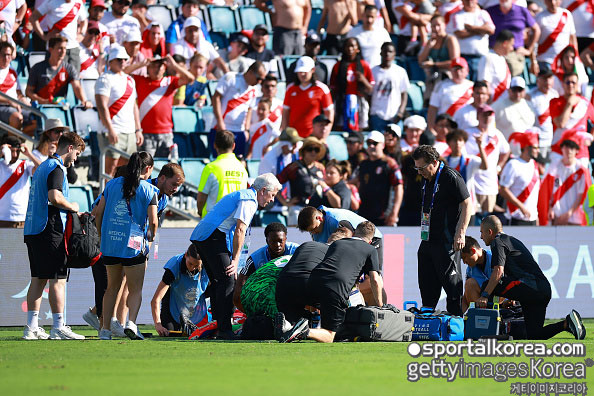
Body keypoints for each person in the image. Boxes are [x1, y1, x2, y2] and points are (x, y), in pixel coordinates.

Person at [190, 173, 281, 339]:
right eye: (272, 195)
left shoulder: (244, 195)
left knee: (220, 281)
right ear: (262, 191)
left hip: (205, 236)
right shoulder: (249, 199)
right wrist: (235, 260)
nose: (272, 200)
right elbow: (240, 230)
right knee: (228, 279)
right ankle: (224, 329)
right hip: (211, 236)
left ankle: (218, 327)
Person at [476, 215, 586, 340]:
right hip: (542, 290)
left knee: (487, 286)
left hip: (530, 288)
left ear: (490, 232)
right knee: (535, 335)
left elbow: (498, 272)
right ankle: (566, 323)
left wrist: (484, 296)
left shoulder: (498, 241)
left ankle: (484, 329)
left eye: (481, 232)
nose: (481, 237)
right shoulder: (512, 240)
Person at [23, 132, 85, 340]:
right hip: (48, 227)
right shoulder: (56, 168)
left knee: (38, 279)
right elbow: (55, 197)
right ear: (69, 148)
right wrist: (74, 207)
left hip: (33, 228)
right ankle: (58, 326)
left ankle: (31, 327)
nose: (76, 158)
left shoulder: (43, 166)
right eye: (76, 153)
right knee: (58, 279)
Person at [278, 221, 383, 343]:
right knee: (330, 335)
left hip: (313, 281)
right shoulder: (370, 249)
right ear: (370, 241)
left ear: (354, 233)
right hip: (335, 287)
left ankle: (289, 326)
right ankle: (305, 330)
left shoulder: (337, 243)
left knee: (323, 306)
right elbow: (375, 280)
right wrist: (380, 306)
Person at [95, 152, 159, 340]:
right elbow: (153, 221)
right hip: (134, 246)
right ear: (147, 169)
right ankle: (131, 322)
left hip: (111, 244)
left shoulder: (111, 184)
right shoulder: (149, 190)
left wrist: (101, 235)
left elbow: (98, 213)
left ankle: (105, 330)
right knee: (135, 289)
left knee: (111, 288)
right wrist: (151, 237)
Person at [413, 144, 471, 316]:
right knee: (426, 278)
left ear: (434, 162)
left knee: (451, 283)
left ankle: (456, 320)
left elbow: (467, 204)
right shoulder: (426, 178)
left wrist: (460, 233)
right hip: (428, 238)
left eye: (422, 167)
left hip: (447, 240)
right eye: (416, 168)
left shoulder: (451, 176)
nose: (419, 172)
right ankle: (427, 315)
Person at [275, 229, 351, 326]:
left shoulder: (306, 244)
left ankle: (288, 325)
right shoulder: (334, 253)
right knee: (335, 308)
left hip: (283, 284)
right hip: (306, 284)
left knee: (290, 327)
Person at [130, 55, 194, 158]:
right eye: (153, 66)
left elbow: (190, 78)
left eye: (160, 66)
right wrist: (141, 64)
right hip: (146, 133)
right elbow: (124, 73)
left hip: (166, 133)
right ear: (148, 68)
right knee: (145, 169)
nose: (157, 69)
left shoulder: (170, 81)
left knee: (165, 169)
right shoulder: (140, 81)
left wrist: (173, 65)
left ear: (164, 68)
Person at [95, 45, 142, 177]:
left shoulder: (130, 80)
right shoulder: (104, 78)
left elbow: (134, 106)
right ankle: (106, 197)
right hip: (113, 131)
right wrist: (110, 129)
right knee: (110, 171)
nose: (122, 62)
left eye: (124, 59)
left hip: (129, 131)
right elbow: (101, 106)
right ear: (111, 61)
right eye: (119, 59)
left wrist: (138, 130)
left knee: (127, 170)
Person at [233, 222, 299, 311]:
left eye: (280, 241)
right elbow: (238, 295)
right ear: (267, 241)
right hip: (267, 295)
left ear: (285, 239)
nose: (278, 245)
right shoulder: (254, 259)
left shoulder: (297, 251)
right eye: (273, 241)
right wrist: (250, 314)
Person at [151, 244, 209, 336]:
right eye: (190, 264)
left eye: (196, 265)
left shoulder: (208, 267)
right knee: (167, 334)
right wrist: (158, 324)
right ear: (186, 255)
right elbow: (156, 299)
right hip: (172, 304)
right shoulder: (174, 267)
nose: (192, 268)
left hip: (194, 304)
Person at [297, 205, 384, 266]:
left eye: (313, 229)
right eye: (310, 231)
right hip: (352, 245)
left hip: (371, 239)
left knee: (374, 279)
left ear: (319, 218)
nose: (313, 233)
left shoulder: (337, 220)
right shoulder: (314, 227)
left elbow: (353, 244)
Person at [212, 62, 267, 157]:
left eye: (262, 80)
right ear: (250, 72)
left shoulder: (255, 89)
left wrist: (246, 130)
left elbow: (249, 109)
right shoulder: (231, 78)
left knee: (238, 161)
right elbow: (216, 98)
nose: (259, 82)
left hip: (239, 131)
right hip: (223, 128)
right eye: (258, 78)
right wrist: (220, 122)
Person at [465, 104, 510, 215]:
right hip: (472, 183)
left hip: (490, 185)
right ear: (477, 116)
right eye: (484, 114)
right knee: (472, 217)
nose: (487, 118)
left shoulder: (497, 134)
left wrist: (499, 167)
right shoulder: (468, 133)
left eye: (489, 115)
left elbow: (506, 151)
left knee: (487, 220)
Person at [26, 36, 92, 108]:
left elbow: (77, 87)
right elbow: (29, 92)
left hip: (60, 107)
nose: (63, 52)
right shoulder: (37, 68)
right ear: (51, 49)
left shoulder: (69, 68)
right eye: (60, 48)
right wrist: (44, 101)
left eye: (65, 48)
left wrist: (84, 100)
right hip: (40, 108)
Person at [354, 130, 403, 226]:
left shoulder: (390, 163)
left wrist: (394, 213)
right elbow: (356, 181)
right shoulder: (363, 164)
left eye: (375, 143)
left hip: (383, 216)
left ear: (383, 145)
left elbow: (399, 189)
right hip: (364, 214)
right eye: (369, 143)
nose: (371, 146)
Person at [539, 139, 591, 226]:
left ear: (577, 150)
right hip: (556, 216)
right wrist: (550, 207)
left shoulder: (581, 170)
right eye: (566, 147)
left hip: (574, 218)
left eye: (572, 147)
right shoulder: (554, 168)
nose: (568, 150)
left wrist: (569, 213)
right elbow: (547, 190)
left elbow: (581, 195)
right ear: (562, 149)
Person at [197, 130, 248, 217]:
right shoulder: (242, 168)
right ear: (233, 146)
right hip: (234, 221)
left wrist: (200, 212)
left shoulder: (210, 168)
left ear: (215, 145)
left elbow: (202, 197)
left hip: (213, 221)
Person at [281, 56, 334, 138]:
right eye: (300, 71)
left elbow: (329, 113)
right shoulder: (290, 89)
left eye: (305, 71)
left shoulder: (322, 89)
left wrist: (324, 135)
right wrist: (285, 133)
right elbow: (285, 112)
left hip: (313, 137)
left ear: (312, 70)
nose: (302, 74)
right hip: (293, 137)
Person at [276, 137, 326, 225]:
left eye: (316, 149)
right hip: (298, 210)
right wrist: (285, 202)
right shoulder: (293, 167)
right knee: (296, 238)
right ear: (304, 151)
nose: (313, 152)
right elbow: (274, 184)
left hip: (317, 211)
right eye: (310, 149)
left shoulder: (320, 167)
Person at [549, 72, 594, 168]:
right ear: (562, 84)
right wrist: (569, 104)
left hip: (580, 152)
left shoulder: (584, 103)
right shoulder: (555, 102)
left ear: (578, 85)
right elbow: (561, 124)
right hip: (559, 151)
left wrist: (591, 138)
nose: (571, 85)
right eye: (568, 82)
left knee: (585, 182)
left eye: (573, 82)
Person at [330, 37, 374, 132]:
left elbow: (371, 89)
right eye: (347, 46)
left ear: (357, 49)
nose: (350, 49)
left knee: (360, 127)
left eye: (353, 46)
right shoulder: (338, 66)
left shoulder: (364, 65)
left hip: (360, 101)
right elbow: (333, 88)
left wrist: (363, 80)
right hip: (342, 101)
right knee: (340, 126)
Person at [487, 0, 540, 77]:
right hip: (495, 54)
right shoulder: (490, 11)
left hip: (515, 55)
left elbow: (536, 30)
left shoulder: (522, 11)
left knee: (515, 85)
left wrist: (529, 50)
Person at [30, 0, 85, 71]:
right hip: (55, 49)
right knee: (54, 79)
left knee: (74, 79)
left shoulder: (78, 2)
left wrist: (82, 34)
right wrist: (43, 36)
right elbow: (33, 17)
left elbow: (84, 20)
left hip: (73, 48)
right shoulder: (51, 1)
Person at [499, 131, 541, 225]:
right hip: (516, 217)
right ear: (526, 148)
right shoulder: (513, 164)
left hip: (532, 218)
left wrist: (536, 216)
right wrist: (521, 207)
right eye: (535, 147)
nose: (538, 150)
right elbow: (503, 189)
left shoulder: (534, 164)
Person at [444, 128, 487, 218]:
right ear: (449, 143)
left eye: (460, 140)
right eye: (454, 140)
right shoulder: (443, 161)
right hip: (449, 207)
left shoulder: (470, 160)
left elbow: (485, 166)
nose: (457, 143)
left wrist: (480, 146)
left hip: (468, 207)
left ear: (464, 143)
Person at [0, 135, 42, 228]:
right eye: (12, 151)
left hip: (21, 217)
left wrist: (29, 154)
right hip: (2, 218)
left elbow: (42, 170)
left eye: (17, 151)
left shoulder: (25, 164)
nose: (15, 155)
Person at [427, 57, 474, 135]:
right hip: (446, 129)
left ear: (467, 71)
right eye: (455, 69)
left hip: (466, 129)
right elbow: (432, 108)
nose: (458, 72)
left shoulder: (473, 86)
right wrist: (431, 128)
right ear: (450, 71)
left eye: (461, 69)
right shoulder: (441, 85)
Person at [369, 42, 409, 132]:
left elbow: (404, 94)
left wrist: (400, 112)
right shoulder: (373, 71)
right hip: (377, 115)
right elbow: (369, 94)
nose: (387, 54)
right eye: (385, 51)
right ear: (380, 53)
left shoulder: (400, 71)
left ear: (394, 54)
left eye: (390, 51)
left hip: (394, 115)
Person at [418, 15, 461, 96]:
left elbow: (455, 62)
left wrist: (434, 64)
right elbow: (421, 61)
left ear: (444, 25)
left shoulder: (450, 39)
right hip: (433, 79)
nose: (436, 29)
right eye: (433, 26)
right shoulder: (431, 41)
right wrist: (428, 46)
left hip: (448, 78)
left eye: (438, 25)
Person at [453, 0, 495, 81]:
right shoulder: (457, 15)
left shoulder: (483, 14)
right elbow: (460, 33)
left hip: (482, 57)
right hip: (464, 57)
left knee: (480, 84)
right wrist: (481, 30)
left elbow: (491, 30)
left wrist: (472, 28)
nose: (469, 2)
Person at [0, 42, 35, 134]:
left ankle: (17, 141)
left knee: (36, 120)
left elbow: (18, 92)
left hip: (15, 105)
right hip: (3, 105)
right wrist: (9, 101)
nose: (6, 58)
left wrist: (23, 100)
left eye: (9, 55)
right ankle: (12, 144)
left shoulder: (13, 71)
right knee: (17, 118)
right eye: (4, 55)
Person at [535, 0, 577, 70]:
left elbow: (572, 38)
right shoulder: (539, 17)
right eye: (549, 0)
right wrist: (534, 61)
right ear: (545, 1)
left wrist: (575, 56)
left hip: (564, 61)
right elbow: (534, 41)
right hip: (545, 61)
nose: (553, 3)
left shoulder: (567, 14)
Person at [526, 69, 559, 158]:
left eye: (550, 78)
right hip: (540, 142)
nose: (547, 82)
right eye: (544, 79)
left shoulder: (555, 94)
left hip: (553, 140)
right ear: (538, 80)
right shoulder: (530, 96)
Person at [477, 29, 513, 104]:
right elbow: (484, 83)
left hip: (502, 104)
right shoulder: (487, 57)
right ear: (505, 43)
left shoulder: (502, 58)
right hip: (493, 104)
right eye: (511, 45)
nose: (512, 49)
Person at [460, 235, 492, 312]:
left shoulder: (495, 258)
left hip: (502, 299)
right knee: (470, 283)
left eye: (464, 257)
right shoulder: (470, 269)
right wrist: (458, 316)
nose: (464, 262)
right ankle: (480, 315)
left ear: (473, 251)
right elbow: (467, 294)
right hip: (483, 303)